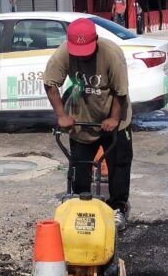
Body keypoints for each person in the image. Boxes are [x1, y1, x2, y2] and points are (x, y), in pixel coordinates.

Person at [44, 17, 133, 227]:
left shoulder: (111, 54)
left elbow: (121, 92)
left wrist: (113, 118)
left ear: (96, 40)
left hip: (115, 118)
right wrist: (62, 115)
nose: (82, 57)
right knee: (79, 166)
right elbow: (50, 84)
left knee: (119, 164)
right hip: (82, 119)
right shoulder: (63, 53)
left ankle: (118, 207)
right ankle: (80, 203)